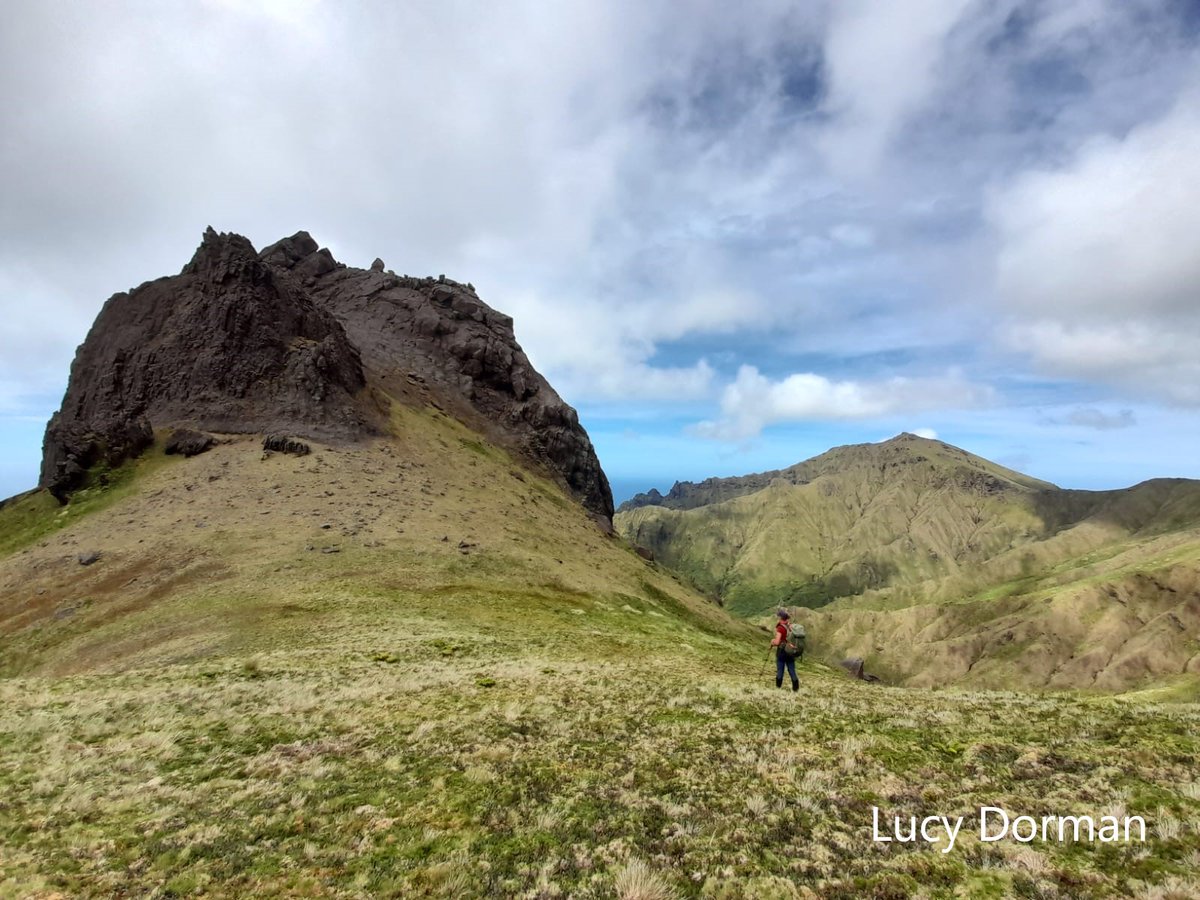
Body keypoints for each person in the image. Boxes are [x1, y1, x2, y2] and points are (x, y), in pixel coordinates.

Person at [771, 608, 800, 691]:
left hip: (782, 652)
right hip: (790, 651)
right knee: (792, 670)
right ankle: (796, 689)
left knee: (780, 670)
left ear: (780, 618)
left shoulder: (780, 628)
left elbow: (777, 642)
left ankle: (778, 688)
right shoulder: (790, 626)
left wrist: (772, 641)